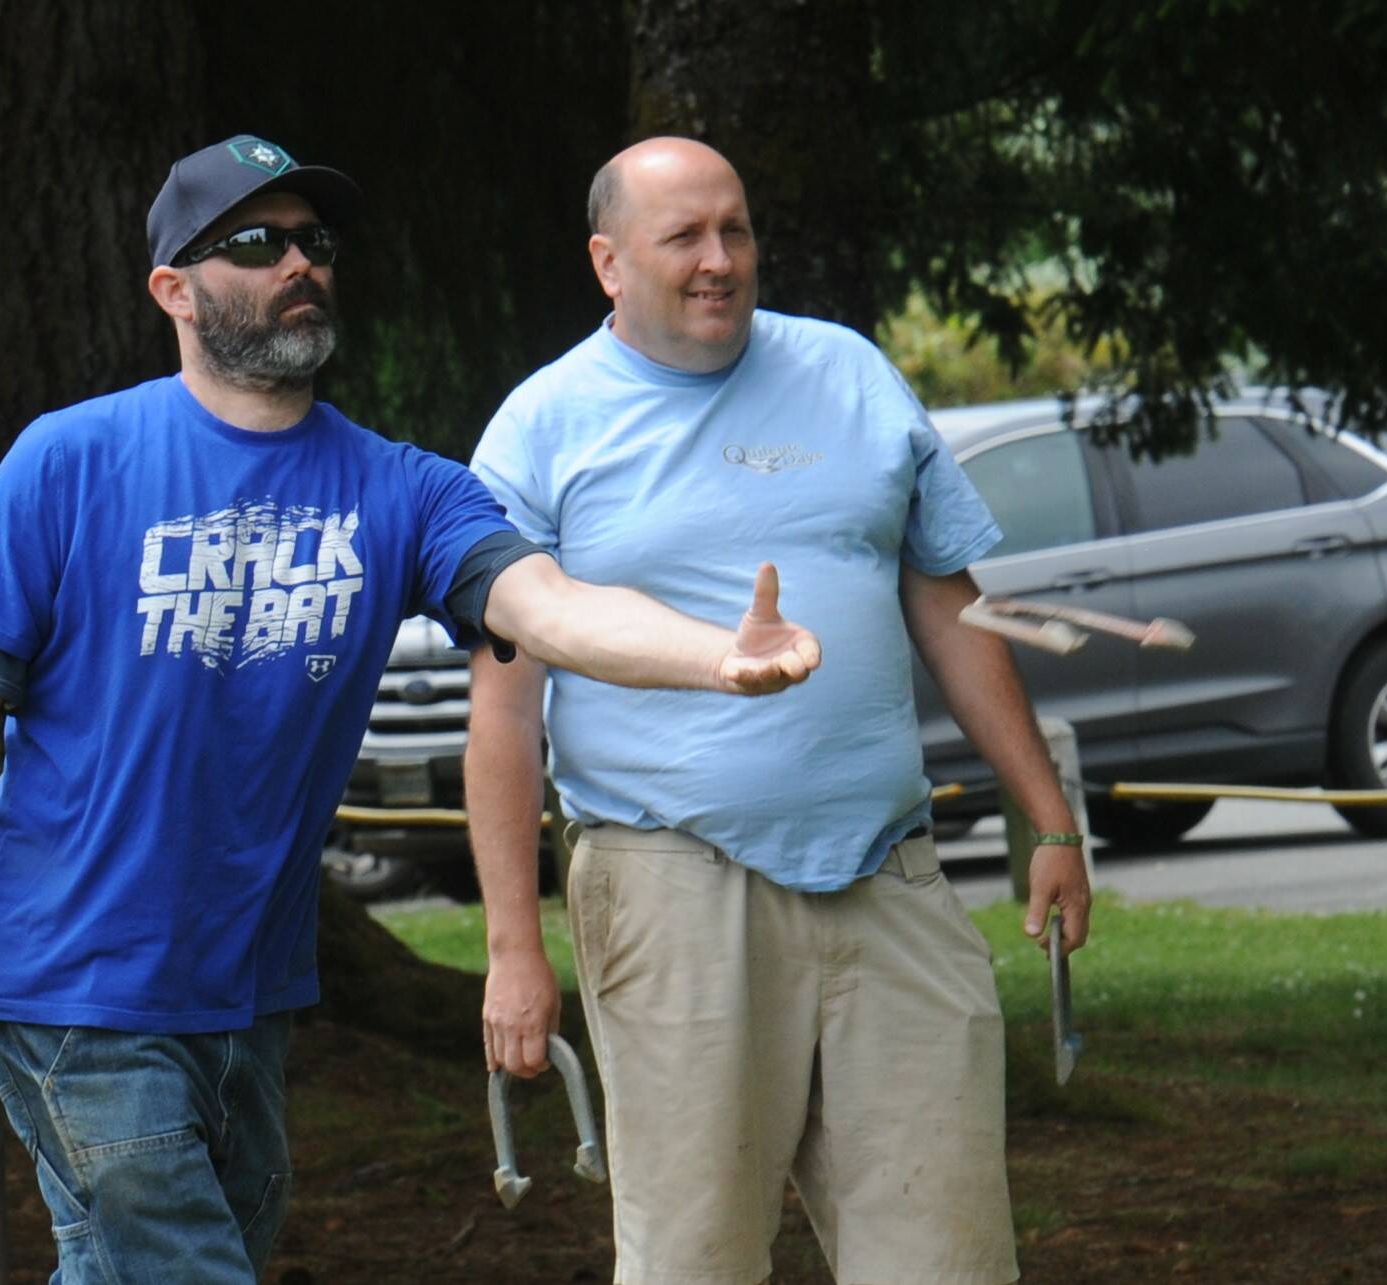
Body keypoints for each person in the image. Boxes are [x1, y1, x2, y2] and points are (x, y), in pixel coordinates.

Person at [0, 133, 822, 1284]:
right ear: (174, 289)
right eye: (255, 243)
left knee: (130, 1264)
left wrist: (716, 657)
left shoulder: (398, 487)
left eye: (314, 241)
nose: (297, 263)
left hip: (247, 984)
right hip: (69, 976)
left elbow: (544, 606)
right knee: (185, 1265)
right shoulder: (68, 462)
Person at [466, 136, 1093, 1285]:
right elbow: (504, 714)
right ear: (607, 263)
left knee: (945, 1255)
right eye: (684, 238)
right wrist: (513, 948)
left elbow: (949, 608)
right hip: (670, 885)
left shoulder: (849, 373)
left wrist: (1048, 818)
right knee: (694, 1260)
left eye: (735, 229)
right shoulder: (540, 428)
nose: (720, 261)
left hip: (886, 875)